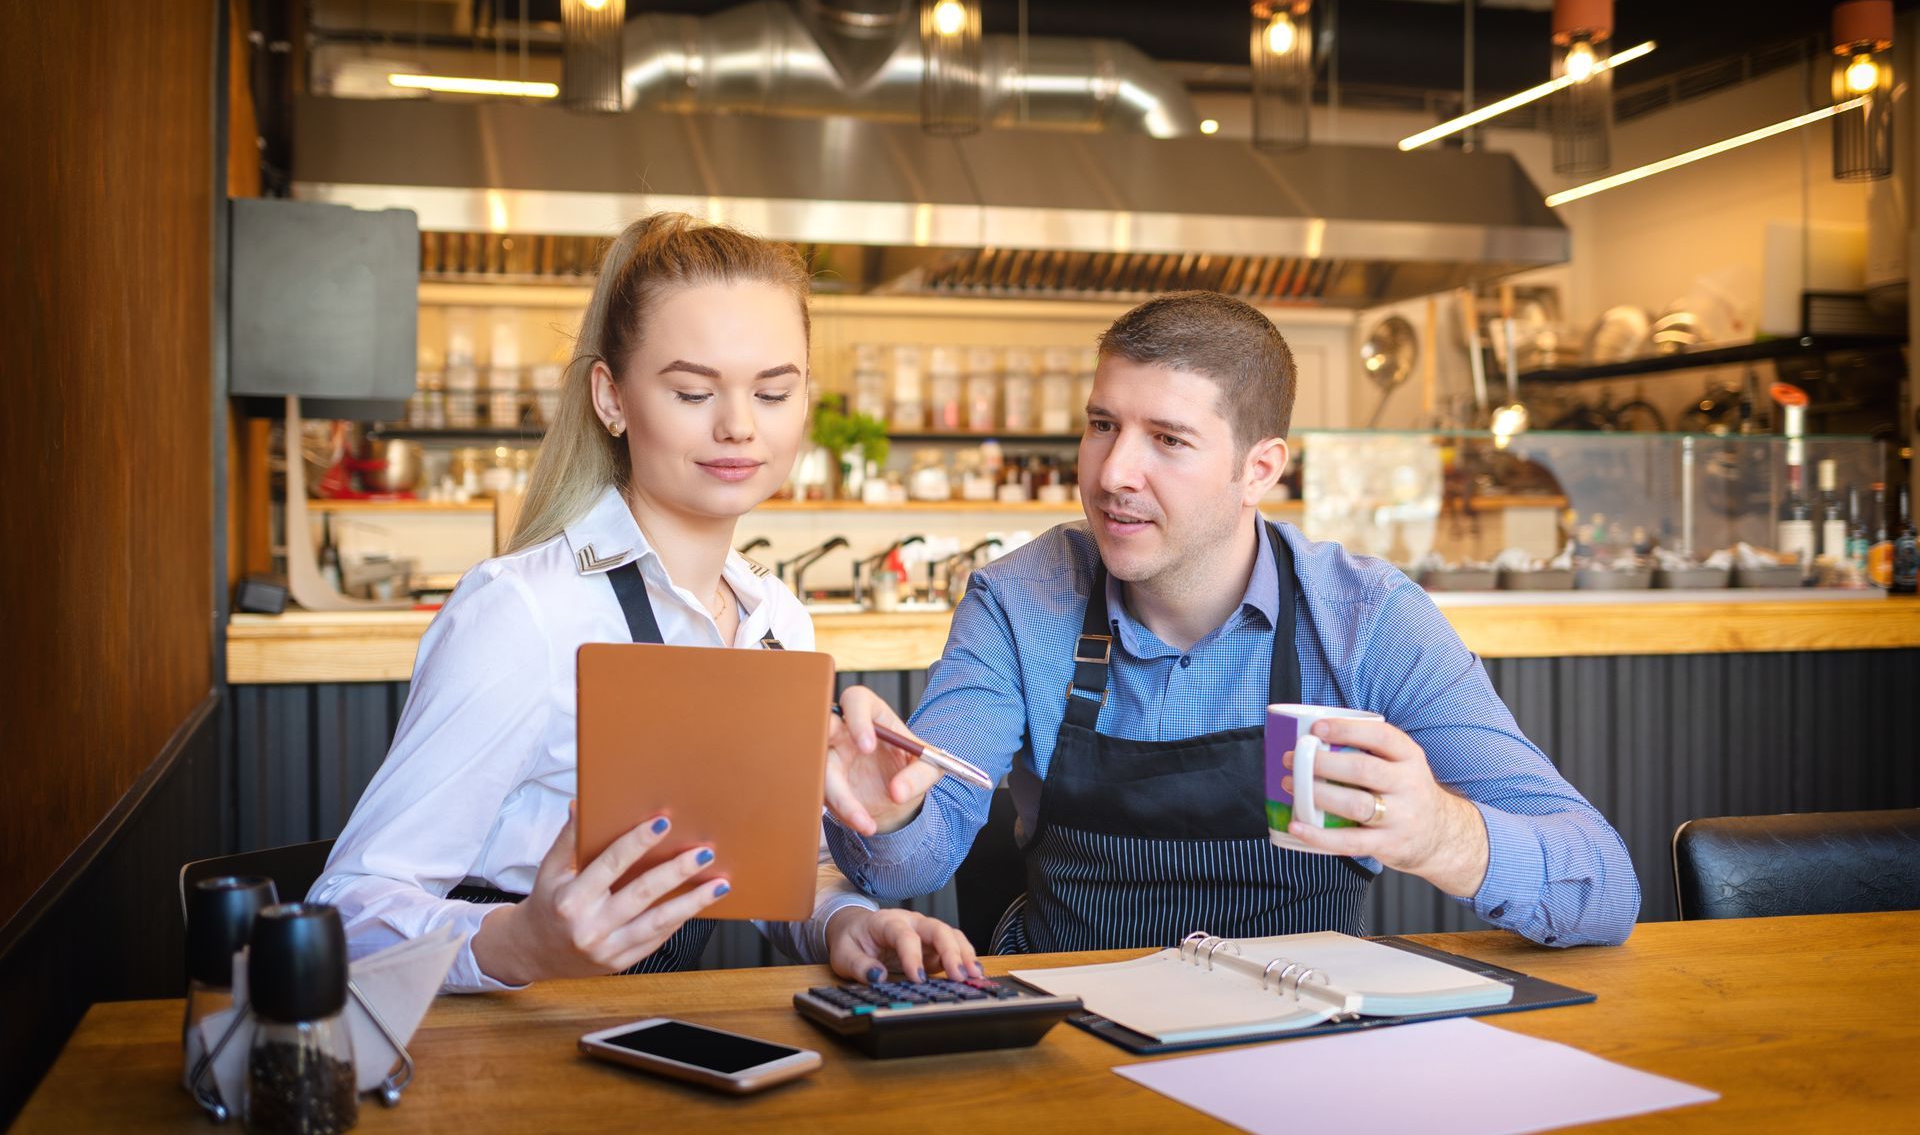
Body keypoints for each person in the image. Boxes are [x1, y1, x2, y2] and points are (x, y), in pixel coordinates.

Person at [826, 291, 1639, 953]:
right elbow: (910, 862)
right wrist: (887, 808)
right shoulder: (1019, 601)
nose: (1112, 474)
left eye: (1167, 439)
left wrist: (1441, 837)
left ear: (1260, 469)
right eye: (1101, 425)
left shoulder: (1366, 618)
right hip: (1070, 1031)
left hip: (1303, 1045)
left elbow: (1604, 884)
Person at [310, 213, 976, 991]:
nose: (738, 426)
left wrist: (850, 921)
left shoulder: (774, 622)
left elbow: (764, 872)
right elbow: (346, 909)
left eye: (772, 391)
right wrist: (522, 944)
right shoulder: (524, 612)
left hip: (645, 1042)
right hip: (500, 1061)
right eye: (694, 391)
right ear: (612, 398)